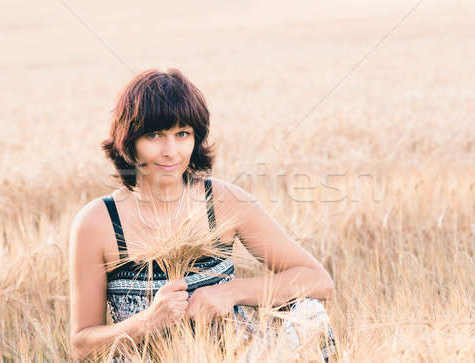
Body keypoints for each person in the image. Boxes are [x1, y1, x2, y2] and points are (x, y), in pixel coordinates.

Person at [69, 68, 337, 361]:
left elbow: (318, 281)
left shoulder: (223, 202)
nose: (171, 152)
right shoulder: (99, 222)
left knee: (310, 315)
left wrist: (230, 292)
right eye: (154, 135)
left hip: (236, 357)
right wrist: (147, 322)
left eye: (182, 134)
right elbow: (82, 346)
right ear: (129, 141)